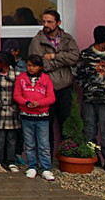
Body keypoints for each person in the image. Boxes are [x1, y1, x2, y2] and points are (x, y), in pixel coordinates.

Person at [73, 26, 105, 175]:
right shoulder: (86, 55)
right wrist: (88, 87)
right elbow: (79, 74)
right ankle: (93, 160)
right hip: (89, 99)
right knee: (89, 131)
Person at [28, 9, 79, 151]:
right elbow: (38, 63)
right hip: (45, 90)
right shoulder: (37, 40)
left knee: (67, 124)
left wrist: (53, 56)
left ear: (58, 22)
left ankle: (67, 155)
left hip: (65, 88)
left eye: (49, 22)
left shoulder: (67, 39)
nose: (46, 25)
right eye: (44, 21)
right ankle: (47, 160)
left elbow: (74, 57)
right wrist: (62, 59)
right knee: (46, 126)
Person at [14, 54, 56, 180]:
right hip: (27, 115)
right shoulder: (21, 78)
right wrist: (26, 102)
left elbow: (51, 97)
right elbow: (16, 95)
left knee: (44, 144)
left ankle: (46, 168)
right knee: (29, 143)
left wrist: (39, 103)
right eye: (29, 65)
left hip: (42, 115)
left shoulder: (46, 79)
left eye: (34, 66)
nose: (31, 68)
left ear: (40, 67)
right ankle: (31, 166)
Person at [0, 51, 21, 172]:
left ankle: (11, 160)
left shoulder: (17, 75)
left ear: (3, 63)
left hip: (12, 110)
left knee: (12, 138)